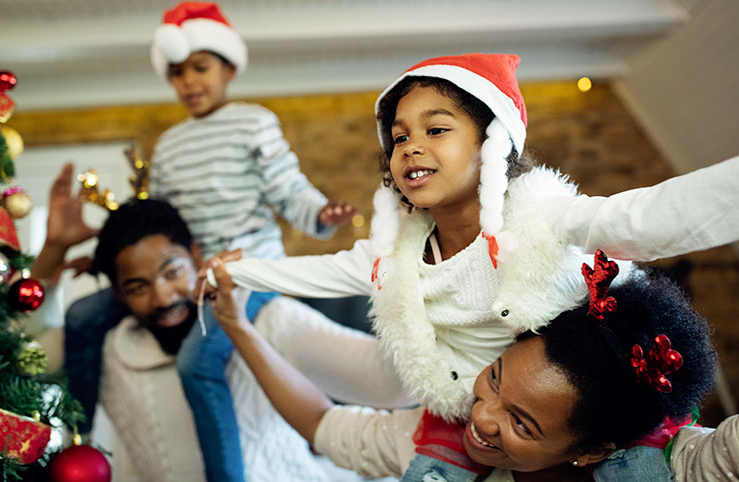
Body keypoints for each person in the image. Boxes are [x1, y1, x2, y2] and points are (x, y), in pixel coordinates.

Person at [205, 53, 739, 480]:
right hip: (455, 397)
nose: (411, 146)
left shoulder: (543, 218)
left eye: (436, 130)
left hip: (600, 393)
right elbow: (315, 275)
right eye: (399, 137)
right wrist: (239, 272)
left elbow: (643, 218)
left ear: (493, 144)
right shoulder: (393, 259)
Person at [63, 3, 356, 480]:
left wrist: (319, 213)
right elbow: (153, 222)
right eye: (177, 73)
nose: (189, 82)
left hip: (246, 272)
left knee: (198, 364)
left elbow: (287, 186)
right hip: (181, 276)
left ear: (230, 68)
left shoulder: (253, 122)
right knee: (82, 315)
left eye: (200, 68)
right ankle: (74, 436)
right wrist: (101, 261)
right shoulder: (171, 144)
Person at [207, 251, 739, 481]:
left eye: (522, 424)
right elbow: (325, 425)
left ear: (595, 450)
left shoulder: (683, 466)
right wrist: (238, 326)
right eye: (496, 380)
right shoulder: (437, 441)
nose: (482, 418)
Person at [28, 164, 337, 481]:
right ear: (117, 292)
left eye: (173, 272)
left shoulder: (273, 321)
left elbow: (383, 380)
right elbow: (20, 354)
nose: (162, 298)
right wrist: (54, 248)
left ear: (196, 254)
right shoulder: (104, 346)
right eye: (137, 287)